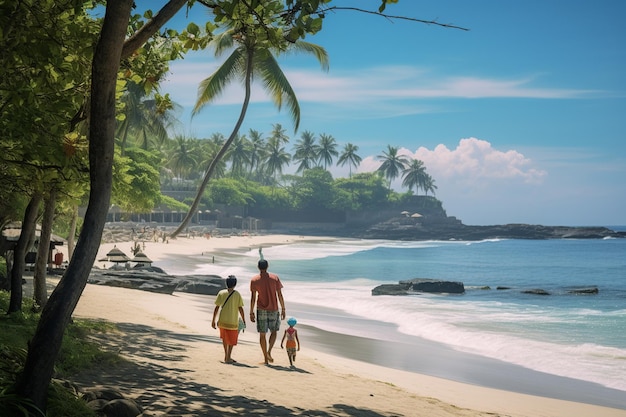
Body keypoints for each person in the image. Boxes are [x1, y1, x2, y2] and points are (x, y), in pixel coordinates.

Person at [250, 258, 286, 365]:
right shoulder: (274, 278)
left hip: (261, 309)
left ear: (258, 267)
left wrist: (251, 312)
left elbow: (253, 297)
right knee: (274, 331)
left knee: (262, 334)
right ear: (267, 266)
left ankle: (266, 358)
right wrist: (283, 308)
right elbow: (279, 295)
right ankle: (269, 351)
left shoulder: (254, 280)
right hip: (274, 308)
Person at [212, 275, 245, 364]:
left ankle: (226, 356)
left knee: (225, 339)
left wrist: (213, 320)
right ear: (235, 284)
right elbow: (240, 308)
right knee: (232, 340)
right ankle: (228, 357)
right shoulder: (237, 294)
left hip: (222, 320)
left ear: (226, 283)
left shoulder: (221, 293)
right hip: (233, 321)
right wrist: (244, 319)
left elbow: (217, 307)